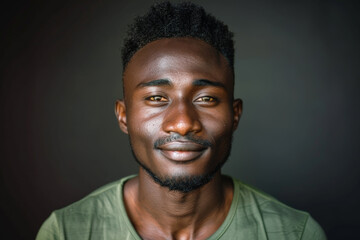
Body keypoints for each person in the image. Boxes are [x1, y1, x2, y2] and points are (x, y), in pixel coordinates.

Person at [36, 1, 326, 239]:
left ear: (235, 115)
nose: (183, 122)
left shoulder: (295, 234)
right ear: (124, 116)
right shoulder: (65, 232)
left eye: (206, 99)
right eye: (156, 98)